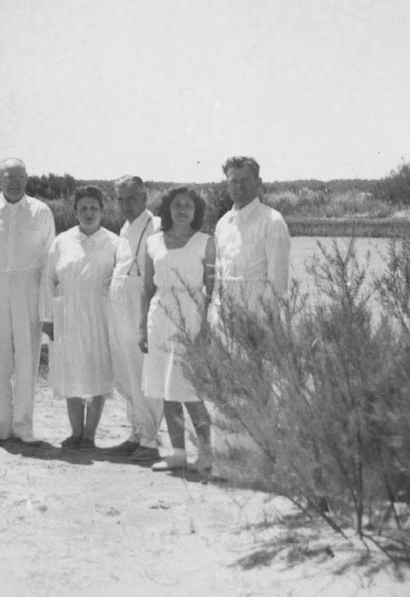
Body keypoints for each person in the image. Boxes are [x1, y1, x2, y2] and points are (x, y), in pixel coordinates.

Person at [0, 158, 55, 446]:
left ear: (27, 179)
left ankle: (24, 426)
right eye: (8, 176)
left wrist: (44, 297)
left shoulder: (41, 211)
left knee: (27, 358)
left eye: (19, 176)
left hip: (29, 290)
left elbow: (50, 256)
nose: (14, 181)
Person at [139, 187, 216, 473]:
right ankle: (178, 453)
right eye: (177, 205)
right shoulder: (153, 242)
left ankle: (206, 453)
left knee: (190, 390)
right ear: (167, 209)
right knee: (165, 390)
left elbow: (212, 291)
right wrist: (141, 327)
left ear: (196, 211)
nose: (182, 210)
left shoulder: (206, 242)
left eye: (188, 206)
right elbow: (147, 288)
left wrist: (207, 327)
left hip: (192, 315)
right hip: (159, 315)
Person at [39, 186, 118, 451]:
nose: (88, 213)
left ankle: (90, 435)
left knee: (98, 368)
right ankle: (75, 432)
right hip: (66, 312)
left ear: (102, 210)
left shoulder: (115, 243)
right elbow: (48, 280)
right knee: (68, 368)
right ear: (74, 211)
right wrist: (47, 318)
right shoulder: (62, 241)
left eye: (94, 208)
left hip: (99, 311)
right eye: (83, 208)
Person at [105, 176, 163, 462]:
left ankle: (151, 440)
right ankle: (136, 433)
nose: (126, 205)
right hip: (119, 304)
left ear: (145, 197)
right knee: (126, 370)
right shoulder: (124, 228)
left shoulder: (157, 226)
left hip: (140, 302)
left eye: (132, 198)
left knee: (143, 370)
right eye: (120, 199)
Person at [208, 156, 290, 327]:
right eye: (234, 181)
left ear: (258, 182)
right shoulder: (223, 224)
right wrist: (214, 316)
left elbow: (277, 283)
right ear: (227, 184)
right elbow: (218, 277)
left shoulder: (273, 222)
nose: (239, 186)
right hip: (223, 319)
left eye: (245, 180)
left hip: (256, 319)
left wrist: (263, 321)